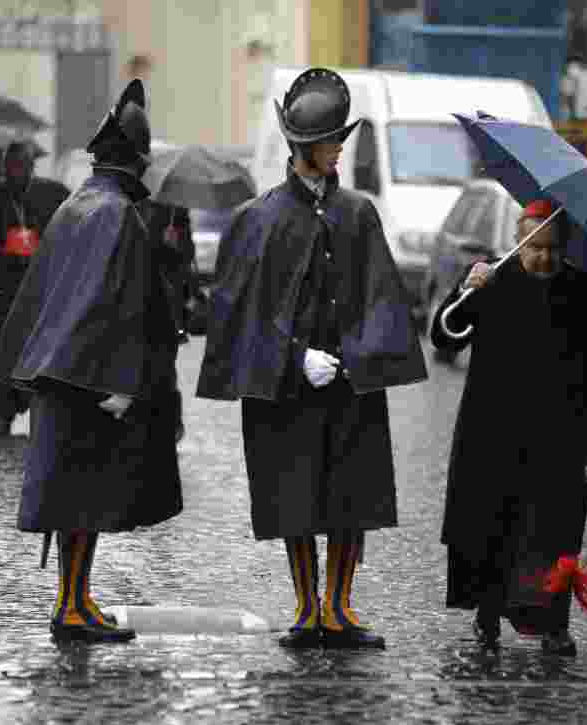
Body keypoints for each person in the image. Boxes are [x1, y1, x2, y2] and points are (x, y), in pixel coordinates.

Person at [197, 67, 427, 650]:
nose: (340, 149)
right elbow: (236, 311)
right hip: (287, 388)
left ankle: (338, 608)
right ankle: (307, 609)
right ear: (306, 147)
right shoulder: (258, 219)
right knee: (294, 497)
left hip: (350, 384)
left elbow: (383, 296)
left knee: (351, 497)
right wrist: (296, 356)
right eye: (332, 141)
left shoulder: (359, 214)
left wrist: (353, 358)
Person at [0, 79, 183, 643]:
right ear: (136, 161)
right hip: (90, 382)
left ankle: (77, 599)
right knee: (82, 499)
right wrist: (121, 382)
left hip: (63, 376)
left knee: (76, 498)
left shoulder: (79, 204)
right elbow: (110, 303)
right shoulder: (116, 212)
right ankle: (71, 607)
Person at [429, 199, 587, 655]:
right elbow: (443, 335)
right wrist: (463, 292)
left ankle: (554, 624)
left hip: (558, 432)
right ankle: (487, 616)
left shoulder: (585, 291)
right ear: (518, 239)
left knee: (555, 532)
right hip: (493, 430)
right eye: (533, 247)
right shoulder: (491, 279)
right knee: (492, 526)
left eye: (551, 248)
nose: (542, 257)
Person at [0, 139, 70, 436]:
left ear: (31, 168)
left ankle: (37, 411)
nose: (17, 172)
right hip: (0, 288)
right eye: (12, 166)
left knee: (36, 352)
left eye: (23, 166)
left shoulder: (49, 194)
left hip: (35, 286)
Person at [142, 200, 195, 443]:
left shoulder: (177, 210)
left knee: (165, 364)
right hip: (145, 297)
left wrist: (177, 243)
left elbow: (187, 255)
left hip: (169, 302)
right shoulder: (139, 208)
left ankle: (169, 423)